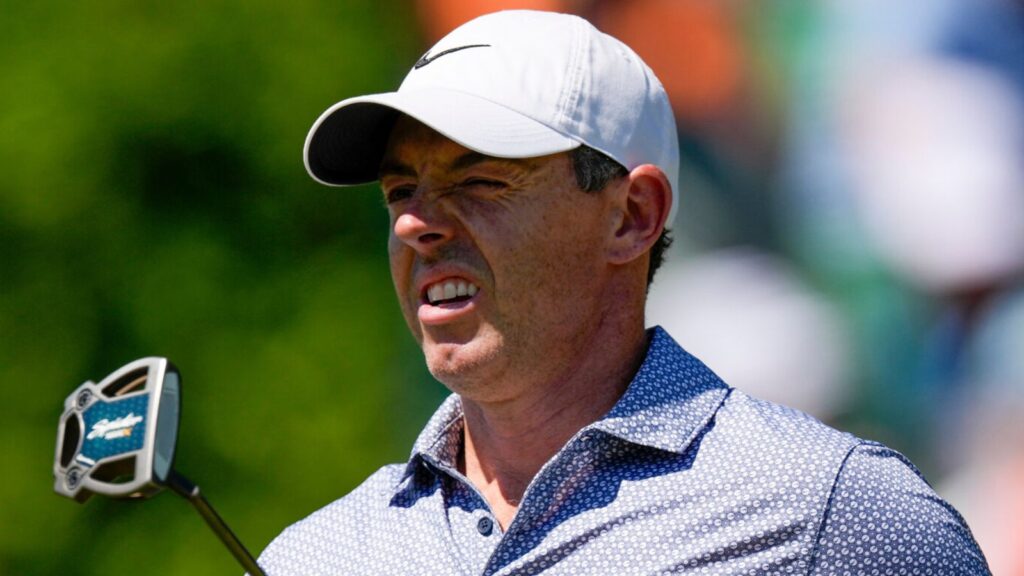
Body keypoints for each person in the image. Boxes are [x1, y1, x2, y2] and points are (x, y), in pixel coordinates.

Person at [258, 10, 990, 575]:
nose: (415, 223)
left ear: (633, 215)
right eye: (399, 191)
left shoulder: (834, 512)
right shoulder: (319, 557)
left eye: (479, 181)